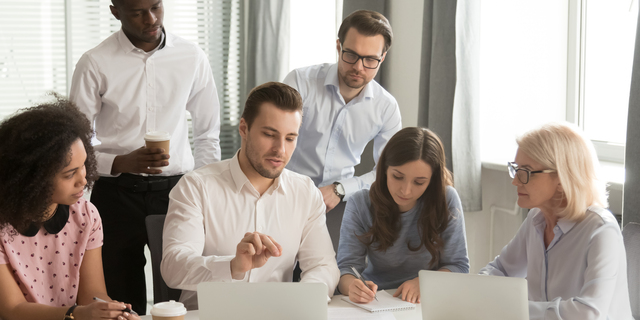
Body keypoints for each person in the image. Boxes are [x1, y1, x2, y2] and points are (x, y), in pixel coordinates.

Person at [69, 0, 221, 313]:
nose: (150, 19)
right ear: (115, 11)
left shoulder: (192, 56)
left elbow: (207, 133)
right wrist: (119, 162)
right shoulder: (95, 62)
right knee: (120, 299)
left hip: (177, 193)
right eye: (138, 11)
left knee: (181, 296)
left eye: (156, 6)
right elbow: (76, 142)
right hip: (116, 194)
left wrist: (204, 193)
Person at [160, 82, 340, 310]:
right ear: (244, 128)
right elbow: (173, 267)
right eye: (269, 134)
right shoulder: (196, 186)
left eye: (290, 138)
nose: (280, 150)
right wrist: (232, 266)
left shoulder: (305, 192)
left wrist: (302, 300)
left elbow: (323, 265)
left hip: (279, 314)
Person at [0, 96, 140, 320]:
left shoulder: (86, 215)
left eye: (83, 165)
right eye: (69, 174)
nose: (83, 180)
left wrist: (115, 312)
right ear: (31, 179)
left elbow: (92, 295)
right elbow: (12, 310)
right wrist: (76, 314)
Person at [479, 122, 633, 319]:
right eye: (515, 169)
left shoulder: (601, 231)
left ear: (561, 179)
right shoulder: (536, 218)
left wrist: (516, 308)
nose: (515, 180)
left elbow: (589, 313)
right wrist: (476, 292)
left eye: (525, 172)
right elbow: (501, 270)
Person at [283, 9, 402, 213]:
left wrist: (340, 190)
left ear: (382, 57)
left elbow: (388, 172)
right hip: (285, 194)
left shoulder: (386, 108)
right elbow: (272, 141)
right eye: (351, 55)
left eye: (370, 60)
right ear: (338, 47)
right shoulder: (300, 83)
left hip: (341, 202)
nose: (358, 67)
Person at [337, 127, 469, 304]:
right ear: (384, 169)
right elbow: (346, 268)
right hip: (377, 301)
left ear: (432, 180)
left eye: (419, 182)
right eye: (397, 176)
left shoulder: (447, 200)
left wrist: (425, 282)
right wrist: (353, 286)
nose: (406, 190)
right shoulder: (360, 203)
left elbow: (459, 267)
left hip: (427, 300)